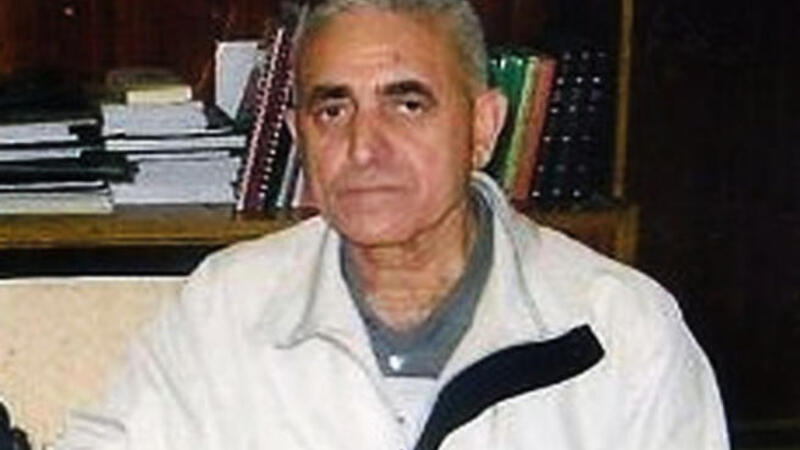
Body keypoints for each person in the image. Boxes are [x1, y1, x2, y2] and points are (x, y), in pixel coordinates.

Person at [56, 0, 729, 449]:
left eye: (407, 105)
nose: (363, 148)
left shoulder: (621, 330)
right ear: (297, 135)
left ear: (483, 127)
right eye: (332, 110)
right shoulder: (225, 306)